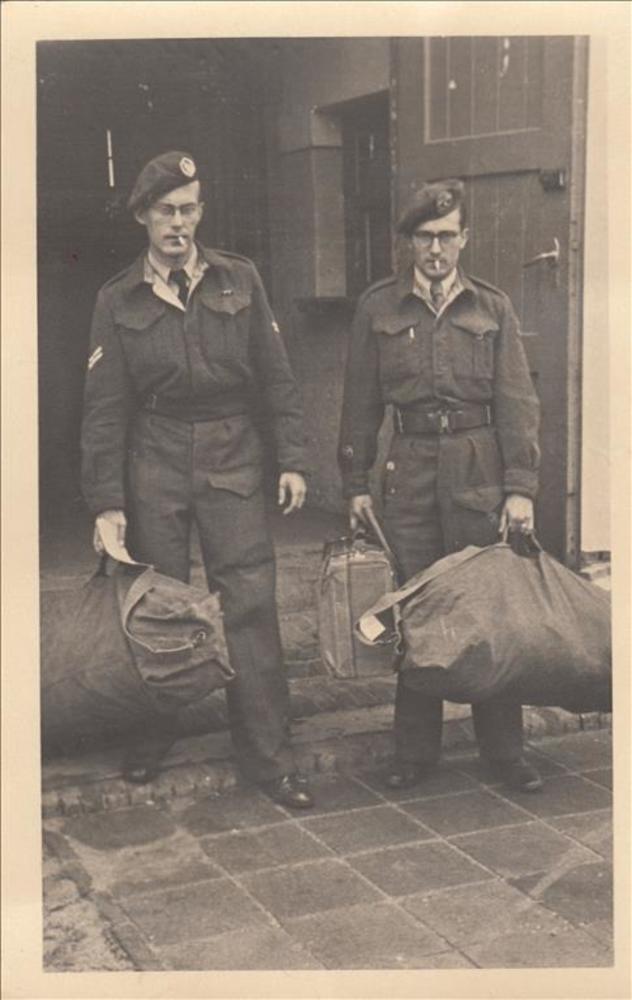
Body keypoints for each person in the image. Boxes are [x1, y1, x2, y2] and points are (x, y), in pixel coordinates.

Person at [81, 151, 314, 809]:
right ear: (143, 217)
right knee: (156, 604)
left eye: (188, 210)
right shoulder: (117, 298)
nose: (178, 224)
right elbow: (104, 407)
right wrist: (106, 502)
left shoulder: (240, 278)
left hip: (232, 451)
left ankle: (269, 757)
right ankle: (154, 735)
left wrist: (293, 458)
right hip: (154, 457)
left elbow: (276, 375)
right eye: (166, 211)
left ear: (201, 212)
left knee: (249, 602)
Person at [338, 178, 543, 793]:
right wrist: (355, 482)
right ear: (409, 241)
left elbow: (517, 402)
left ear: (465, 239)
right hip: (410, 470)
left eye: (446, 236)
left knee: (487, 607)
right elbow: (359, 402)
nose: (435, 249)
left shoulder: (492, 308)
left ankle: (504, 751)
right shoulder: (379, 308)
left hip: (479, 468)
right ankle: (414, 752)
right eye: (425, 237)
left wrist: (521, 486)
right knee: (415, 606)